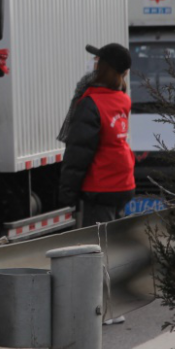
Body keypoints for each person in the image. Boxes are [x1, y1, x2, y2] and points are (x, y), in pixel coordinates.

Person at [58, 42, 135, 226]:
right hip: (123, 181)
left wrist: (67, 194)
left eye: (97, 61)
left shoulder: (91, 103)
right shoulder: (122, 99)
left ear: (103, 68)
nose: (94, 64)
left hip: (101, 185)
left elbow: (78, 153)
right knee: (115, 242)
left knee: (98, 245)